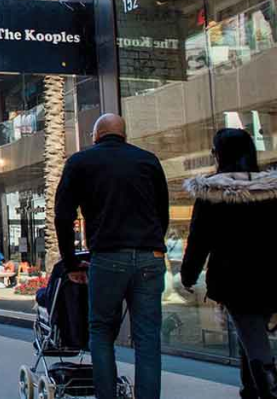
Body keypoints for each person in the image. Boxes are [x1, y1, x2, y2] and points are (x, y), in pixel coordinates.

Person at [54, 113, 169, 399]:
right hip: (150, 256)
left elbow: (62, 216)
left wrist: (70, 262)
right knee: (147, 338)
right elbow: (162, 213)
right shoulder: (148, 160)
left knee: (102, 333)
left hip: (107, 257)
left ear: (96, 136)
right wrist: (151, 244)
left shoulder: (80, 162)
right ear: (124, 135)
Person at [181, 128, 277, 399]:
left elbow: (199, 239)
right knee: (251, 332)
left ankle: (268, 390)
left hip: (234, 279)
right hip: (271, 275)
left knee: (254, 339)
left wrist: (188, 275)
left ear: (219, 154)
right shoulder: (270, 189)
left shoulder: (213, 192)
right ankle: (250, 390)